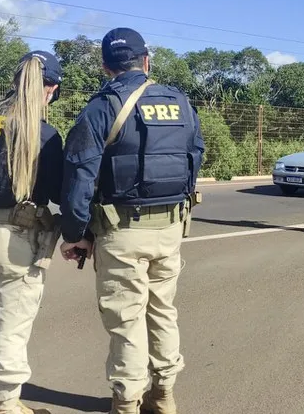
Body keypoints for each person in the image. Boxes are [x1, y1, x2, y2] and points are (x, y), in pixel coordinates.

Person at [57, 27, 204, 414]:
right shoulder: (181, 102)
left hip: (120, 231)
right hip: (171, 228)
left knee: (126, 320)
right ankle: (164, 395)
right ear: (146, 60)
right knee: (162, 311)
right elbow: (196, 155)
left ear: (106, 66)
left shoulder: (102, 106)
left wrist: (75, 233)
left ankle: (126, 403)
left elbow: (80, 175)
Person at [0, 51, 64, 414]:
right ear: (50, 89)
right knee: (11, 328)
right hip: (17, 239)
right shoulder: (46, 134)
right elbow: (57, 193)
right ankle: (8, 405)